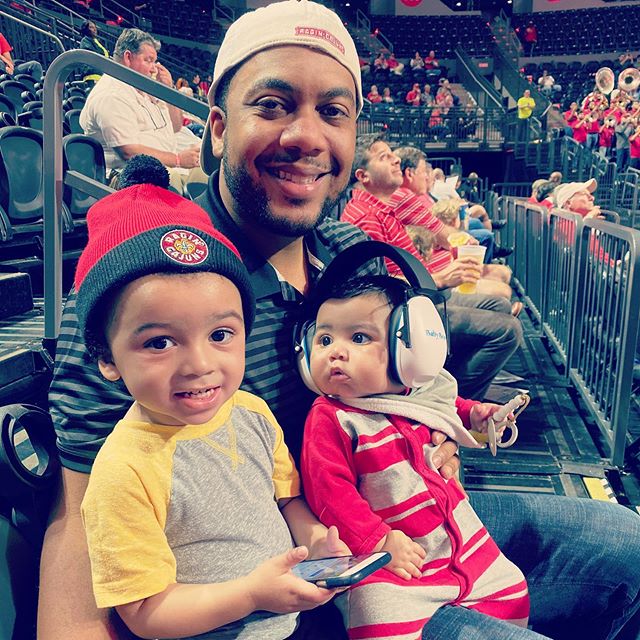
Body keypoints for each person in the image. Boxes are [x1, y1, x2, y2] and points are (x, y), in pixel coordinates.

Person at [40, 2, 640, 639]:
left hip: (399, 516)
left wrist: (432, 434)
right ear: (217, 126)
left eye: (333, 111)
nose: (306, 135)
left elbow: (409, 384)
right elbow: (81, 522)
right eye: (272, 105)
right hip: (285, 597)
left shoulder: (346, 249)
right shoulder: (150, 290)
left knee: (627, 545)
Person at [75, 157, 348, 639]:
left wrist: (314, 543)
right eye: (159, 342)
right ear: (108, 359)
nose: (199, 364)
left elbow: (287, 499)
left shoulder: (251, 413)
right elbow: (145, 614)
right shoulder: (125, 469)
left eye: (221, 334)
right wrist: (249, 595)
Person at [301, 273, 529, 639]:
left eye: (359, 338)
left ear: (409, 352)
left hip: (456, 533)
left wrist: (478, 415)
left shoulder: (416, 391)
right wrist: (377, 540)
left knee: (511, 592)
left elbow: (447, 407)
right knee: (379, 621)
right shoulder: (331, 417)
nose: (335, 351)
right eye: (324, 339)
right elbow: (329, 491)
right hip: (394, 556)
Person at [342, 136, 522, 399]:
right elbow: (376, 287)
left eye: (393, 153)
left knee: (500, 306)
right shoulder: (364, 217)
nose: (395, 159)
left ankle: (450, 387)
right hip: (406, 315)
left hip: (422, 296)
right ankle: (451, 404)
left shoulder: (382, 209)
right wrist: (439, 278)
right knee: (507, 331)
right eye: (384, 156)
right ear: (363, 175)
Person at [79, 28, 205, 191]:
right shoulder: (111, 94)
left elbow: (175, 126)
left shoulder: (142, 87)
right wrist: (179, 159)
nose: (154, 69)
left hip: (166, 165)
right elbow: (128, 152)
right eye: (148, 60)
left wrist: (169, 90)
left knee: (208, 170)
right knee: (170, 177)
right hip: (129, 176)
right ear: (128, 57)